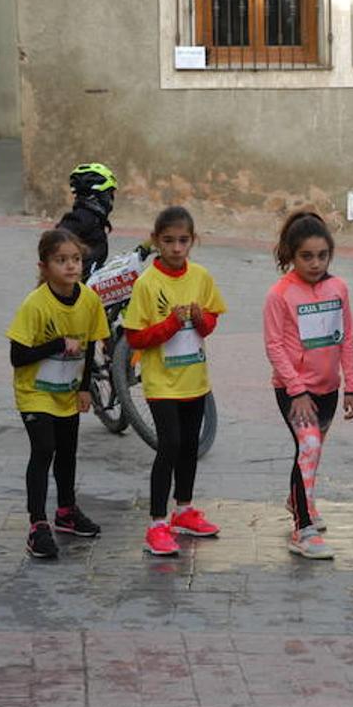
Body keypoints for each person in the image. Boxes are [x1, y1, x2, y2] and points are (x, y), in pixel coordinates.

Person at [123, 207, 226, 556]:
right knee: (168, 446)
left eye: (183, 241)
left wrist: (200, 318)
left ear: (193, 241)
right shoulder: (147, 284)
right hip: (162, 383)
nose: (176, 248)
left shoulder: (200, 276)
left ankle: (184, 510)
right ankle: (155, 524)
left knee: (189, 448)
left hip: (195, 379)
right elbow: (136, 337)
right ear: (156, 241)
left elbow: (211, 323)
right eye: (168, 241)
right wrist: (169, 324)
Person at [6, 229, 111, 560]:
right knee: (44, 449)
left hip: (67, 392)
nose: (70, 267)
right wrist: (56, 344)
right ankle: (37, 525)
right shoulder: (35, 305)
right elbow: (17, 356)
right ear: (44, 266)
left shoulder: (89, 299)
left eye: (76, 259)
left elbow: (93, 340)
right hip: (34, 392)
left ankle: (66, 512)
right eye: (61, 260)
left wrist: (85, 388)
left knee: (68, 451)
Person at [263, 211, 353, 560]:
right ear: (291, 254)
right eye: (306, 256)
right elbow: (274, 346)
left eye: (322, 255)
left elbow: (347, 338)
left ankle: (298, 499)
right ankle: (301, 529)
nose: (315, 263)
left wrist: (352, 386)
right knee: (308, 447)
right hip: (294, 392)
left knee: (312, 452)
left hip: (329, 389)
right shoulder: (280, 294)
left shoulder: (339, 288)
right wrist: (297, 390)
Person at [57, 162, 117, 275]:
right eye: (110, 194)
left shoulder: (95, 220)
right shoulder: (81, 218)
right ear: (98, 196)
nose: (111, 199)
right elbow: (53, 245)